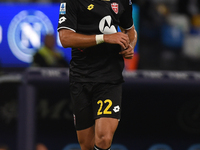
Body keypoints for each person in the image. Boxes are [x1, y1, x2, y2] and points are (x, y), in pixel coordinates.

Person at [57, 0, 137, 150]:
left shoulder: (123, 2)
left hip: (109, 77)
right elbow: (65, 38)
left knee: (104, 138)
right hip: (81, 77)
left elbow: (130, 30)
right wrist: (104, 38)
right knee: (86, 145)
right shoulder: (72, 2)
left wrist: (130, 46)